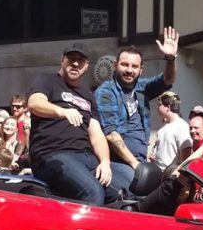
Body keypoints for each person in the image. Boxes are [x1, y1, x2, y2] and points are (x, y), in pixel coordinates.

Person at [27, 42, 114, 205]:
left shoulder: (88, 96)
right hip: (53, 156)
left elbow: (96, 135)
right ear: (62, 60)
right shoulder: (47, 80)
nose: (75, 63)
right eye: (71, 58)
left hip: (87, 158)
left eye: (80, 60)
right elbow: (34, 103)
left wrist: (105, 162)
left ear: (87, 66)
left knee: (126, 188)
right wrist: (61, 111)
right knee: (92, 191)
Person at [96, 31, 179, 190]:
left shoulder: (141, 88)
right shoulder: (106, 92)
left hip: (140, 162)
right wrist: (136, 165)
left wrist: (170, 59)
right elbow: (111, 134)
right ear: (115, 65)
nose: (129, 70)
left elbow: (167, 80)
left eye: (134, 66)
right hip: (118, 162)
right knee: (139, 194)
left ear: (141, 69)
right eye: (125, 64)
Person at [149, 91, 192, 171]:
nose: (157, 107)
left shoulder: (182, 127)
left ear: (168, 107)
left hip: (171, 178)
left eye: (159, 104)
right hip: (158, 176)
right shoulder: (162, 128)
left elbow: (186, 159)